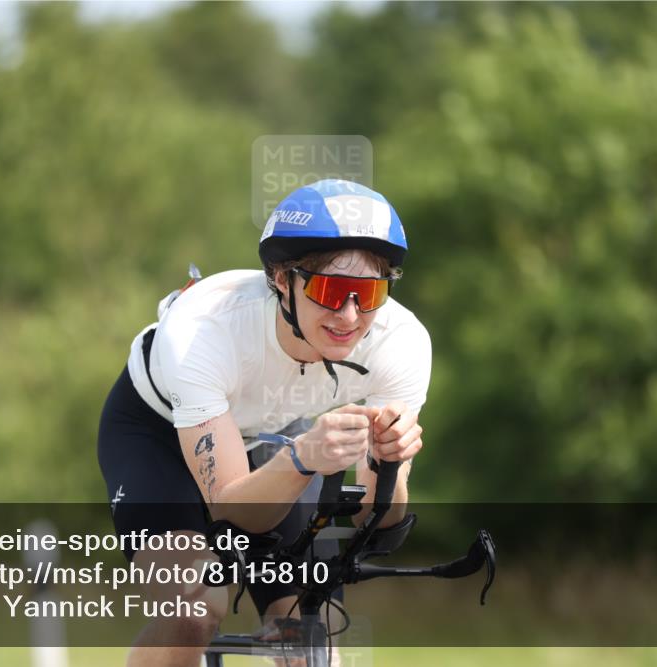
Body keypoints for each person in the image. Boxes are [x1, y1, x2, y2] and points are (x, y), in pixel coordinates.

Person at [97, 179, 431, 666]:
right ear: (281, 278)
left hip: (273, 435)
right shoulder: (202, 330)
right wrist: (304, 458)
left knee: (309, 632)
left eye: (369, 292)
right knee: (193, 609)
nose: (350, 314)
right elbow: (235, 514)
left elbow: (376, 523)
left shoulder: (400, 342)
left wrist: (388, 463)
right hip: (157, 434)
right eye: (331, 289)